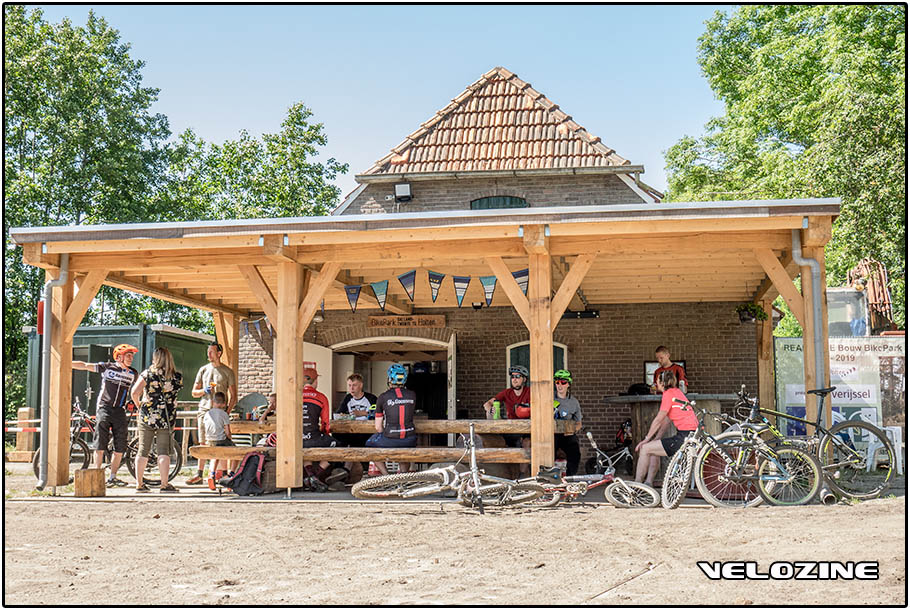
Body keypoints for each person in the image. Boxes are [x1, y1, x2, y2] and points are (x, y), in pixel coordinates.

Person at [72, 343, 139, 487]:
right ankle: (96, 475)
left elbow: (138, 390)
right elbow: (85, 365)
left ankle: (113, 477)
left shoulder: (133, 373)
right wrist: (66, 363)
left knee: (120, 446)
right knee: (100, 444)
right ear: (119, 357)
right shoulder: (108, 367)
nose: (131, 358)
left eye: (132, 356)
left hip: (120, 410)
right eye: (128, 355)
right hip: (104, 408)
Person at [129, 347, 183, 493]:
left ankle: (139, 484)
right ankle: (164, 484)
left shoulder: (147, 374)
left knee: (143, 450)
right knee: (163, 451)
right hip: (166, 417)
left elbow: (134, 392)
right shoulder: (177, 377)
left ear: (155, 358)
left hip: (147, 416)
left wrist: (139, 405)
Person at [634, 370, 698, 486]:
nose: (656, 384)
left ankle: (636, 485)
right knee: (653, 449)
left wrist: (646, 439)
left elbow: (659, 419)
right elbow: (666, 421)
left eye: (657, 382)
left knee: (645, 449)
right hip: (691, 435)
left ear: (662, 383)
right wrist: (656, 438)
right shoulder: (677, 392)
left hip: (684, 438)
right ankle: (648, 483)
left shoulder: (668, 394)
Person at [187, 342, 237, 485]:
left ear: (219, 353)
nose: (208, 354)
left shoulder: (227, 372)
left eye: (211, 352)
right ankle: (199, 474)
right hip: (204, 410)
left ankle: (221, 474)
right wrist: (204, 391)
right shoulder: (203, 370)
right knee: (203, 443)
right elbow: (194, 392)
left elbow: (233, 396)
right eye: (208, 351)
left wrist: (226, 412)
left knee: (221, 443)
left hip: (220, 412)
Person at [300, 368, 347, 492]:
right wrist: (324, 435)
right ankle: (316, 475)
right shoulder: (321, 397)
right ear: (315, 380)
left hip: (297, 440)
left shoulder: (294, 396)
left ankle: (310, 475)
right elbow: (326, 424)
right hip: (314, 438)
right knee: (338, 446)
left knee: (304, 447)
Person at [366, 364, 417, 475]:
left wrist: (386, 434)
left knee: (369, 444)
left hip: (391, 439)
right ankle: (403, 476)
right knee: (404, 449)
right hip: (410, 439)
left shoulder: (383, 397)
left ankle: (386, 476)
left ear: (390, 379)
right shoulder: (412, 395)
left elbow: (378, 427)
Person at [482, 364, 532, 477]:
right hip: (511, 428)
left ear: (524, 379)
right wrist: (490, 409)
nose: (514, 379)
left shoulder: (530, 392)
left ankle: (522, 475)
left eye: (518, 376)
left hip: (527, 428)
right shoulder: (507, 392)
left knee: (527, 442)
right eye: (512, 376)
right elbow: (487, 404)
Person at [552, 369, 582, 476]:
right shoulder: (548, 398)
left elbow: (579, 423)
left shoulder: (574, 402)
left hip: (567, 435)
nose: (560, 385)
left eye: (563, 382)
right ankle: (549, 476)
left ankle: (570, 477)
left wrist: (572, 430)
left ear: (568, 384)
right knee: (548, 449)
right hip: (552, 434)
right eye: (557, 382)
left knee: (575, 451)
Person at [203, 392, 234, 490]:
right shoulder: (224, 414)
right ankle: (231, 475)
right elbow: (228, 432)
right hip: (220, 440)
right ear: (224, 404)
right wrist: (230, 439)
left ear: (213, 402)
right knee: (236, 451)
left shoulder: (207, 414)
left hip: (209, 440)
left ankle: (212, 474)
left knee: (216, 454)